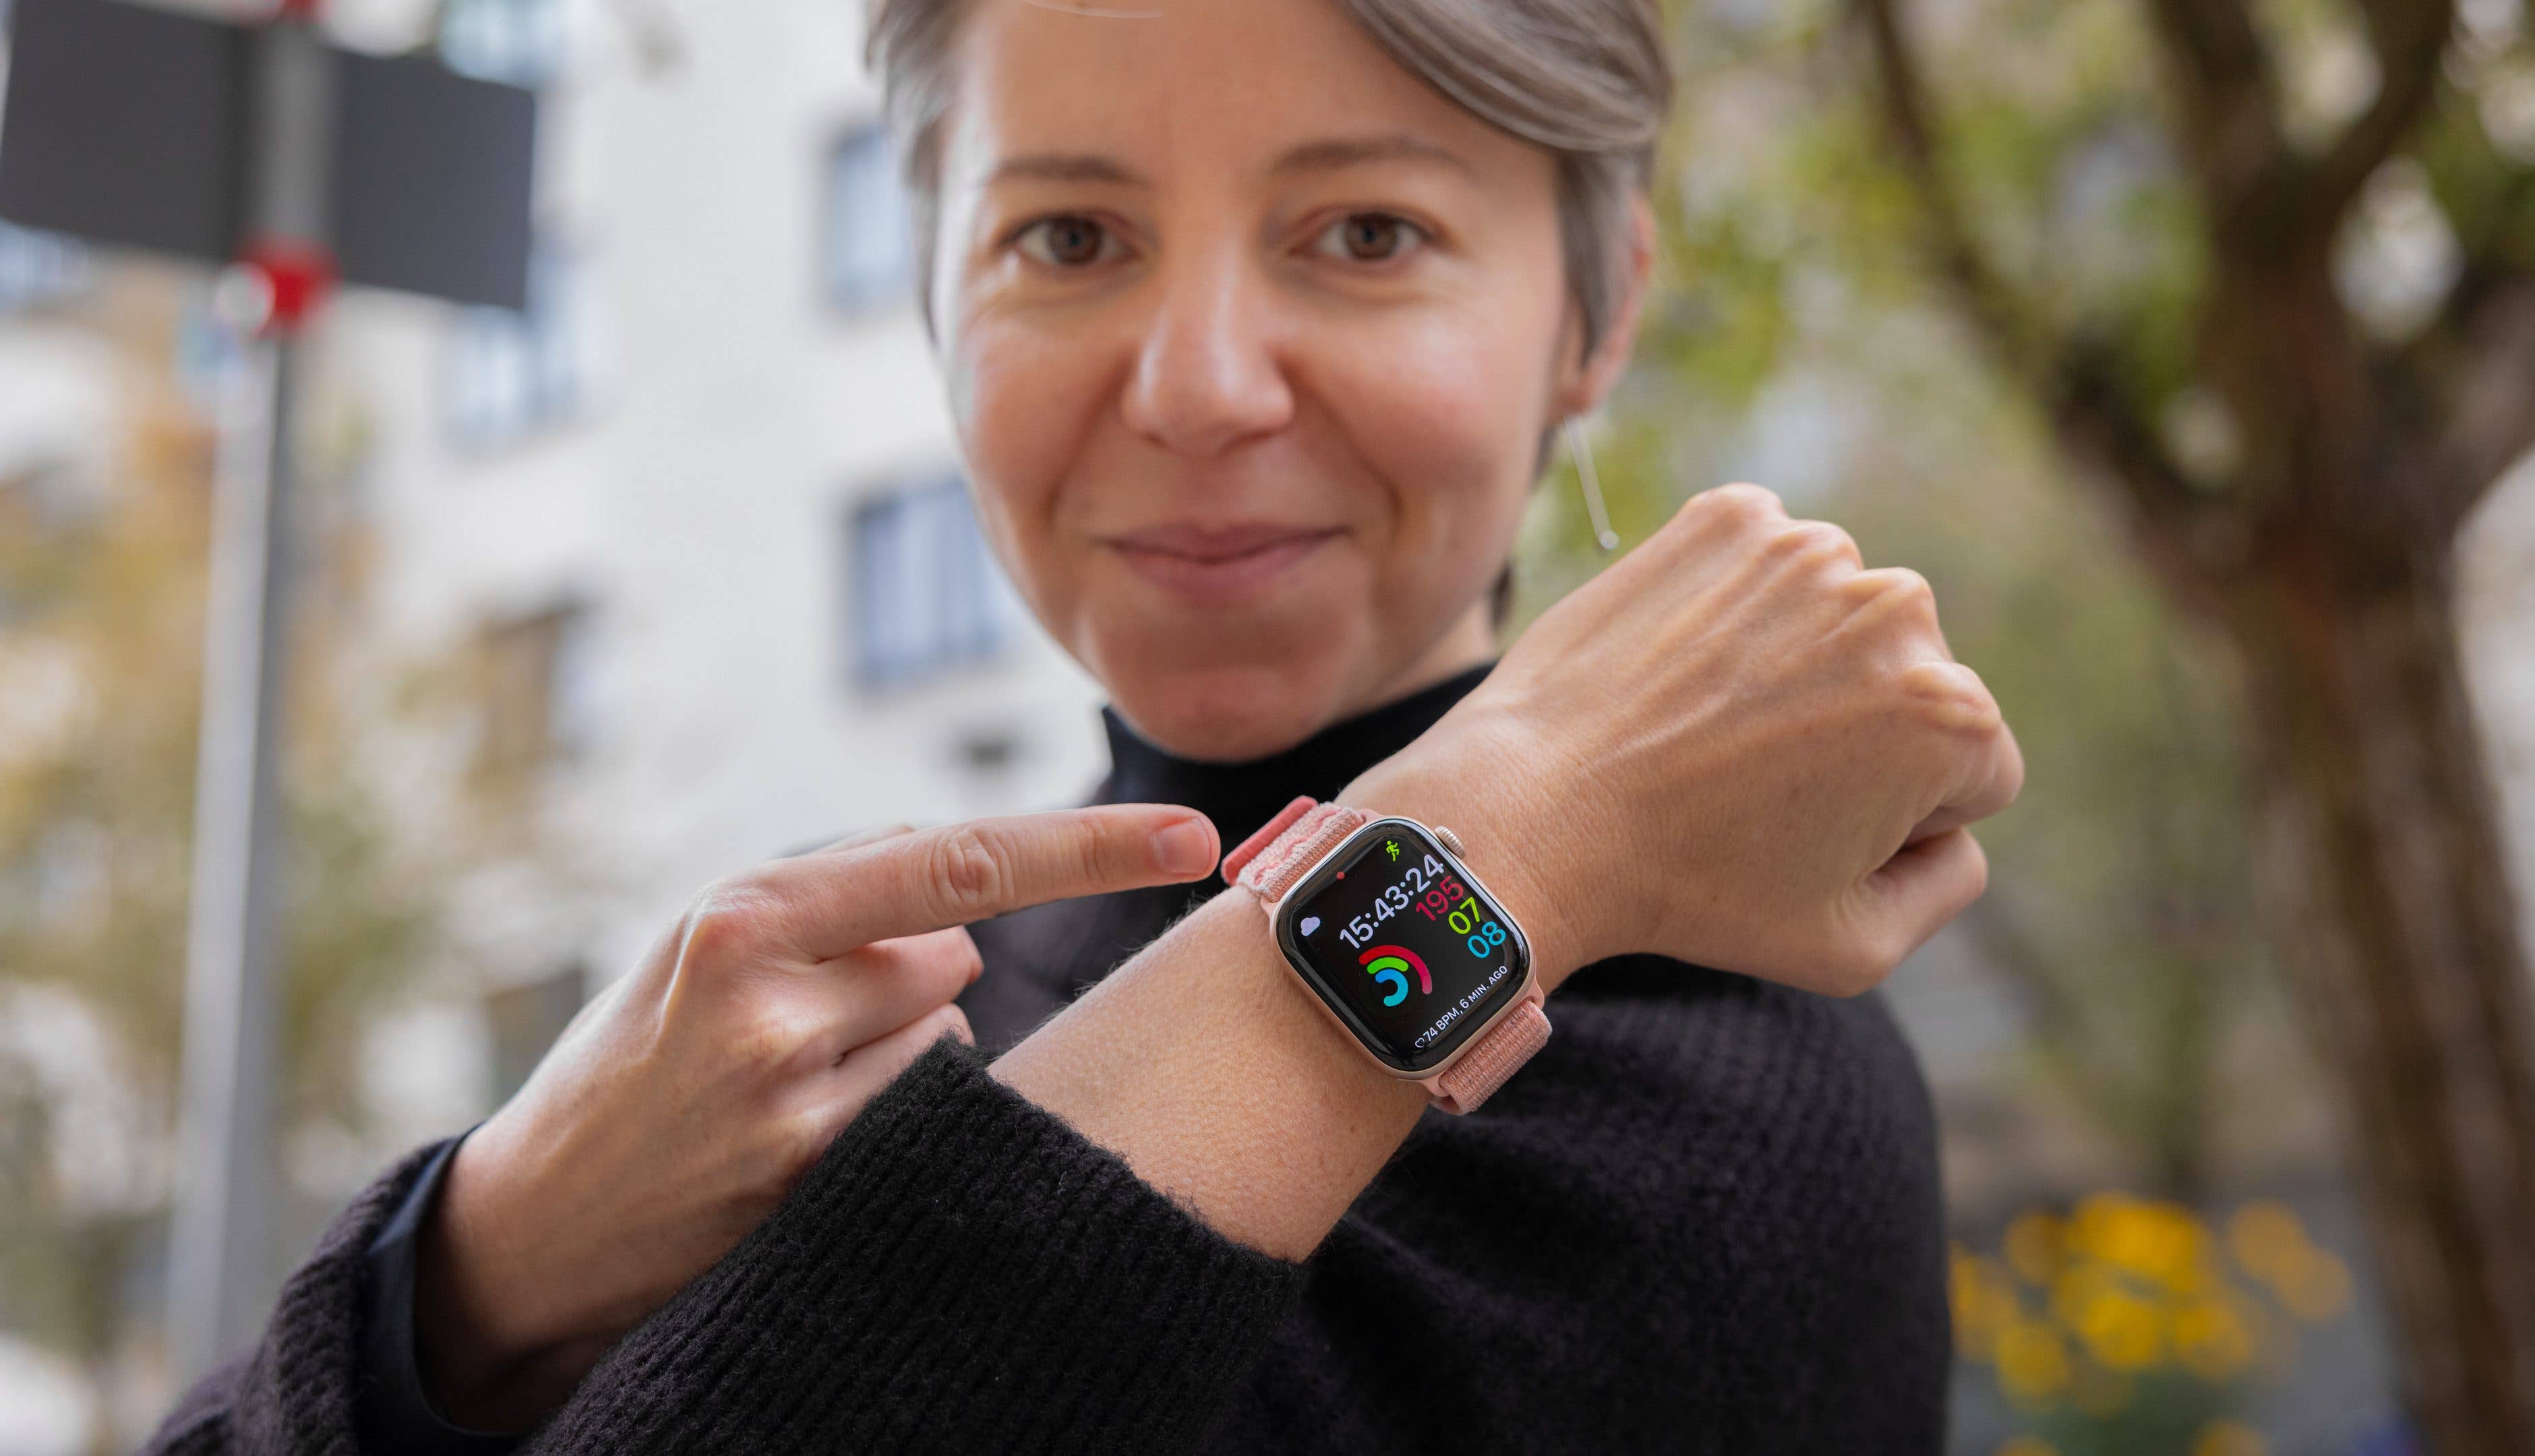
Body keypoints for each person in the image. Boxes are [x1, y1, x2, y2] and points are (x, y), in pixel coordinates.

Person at [142, 0, 2023, 1451]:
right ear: (934, 300)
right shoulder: (846, 1006)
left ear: (1595, 318)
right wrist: (472, 1276)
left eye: (1368, 231)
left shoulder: (1711, 1094)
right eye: (1065, 238)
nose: (1198, 388)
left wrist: (1519, 819)